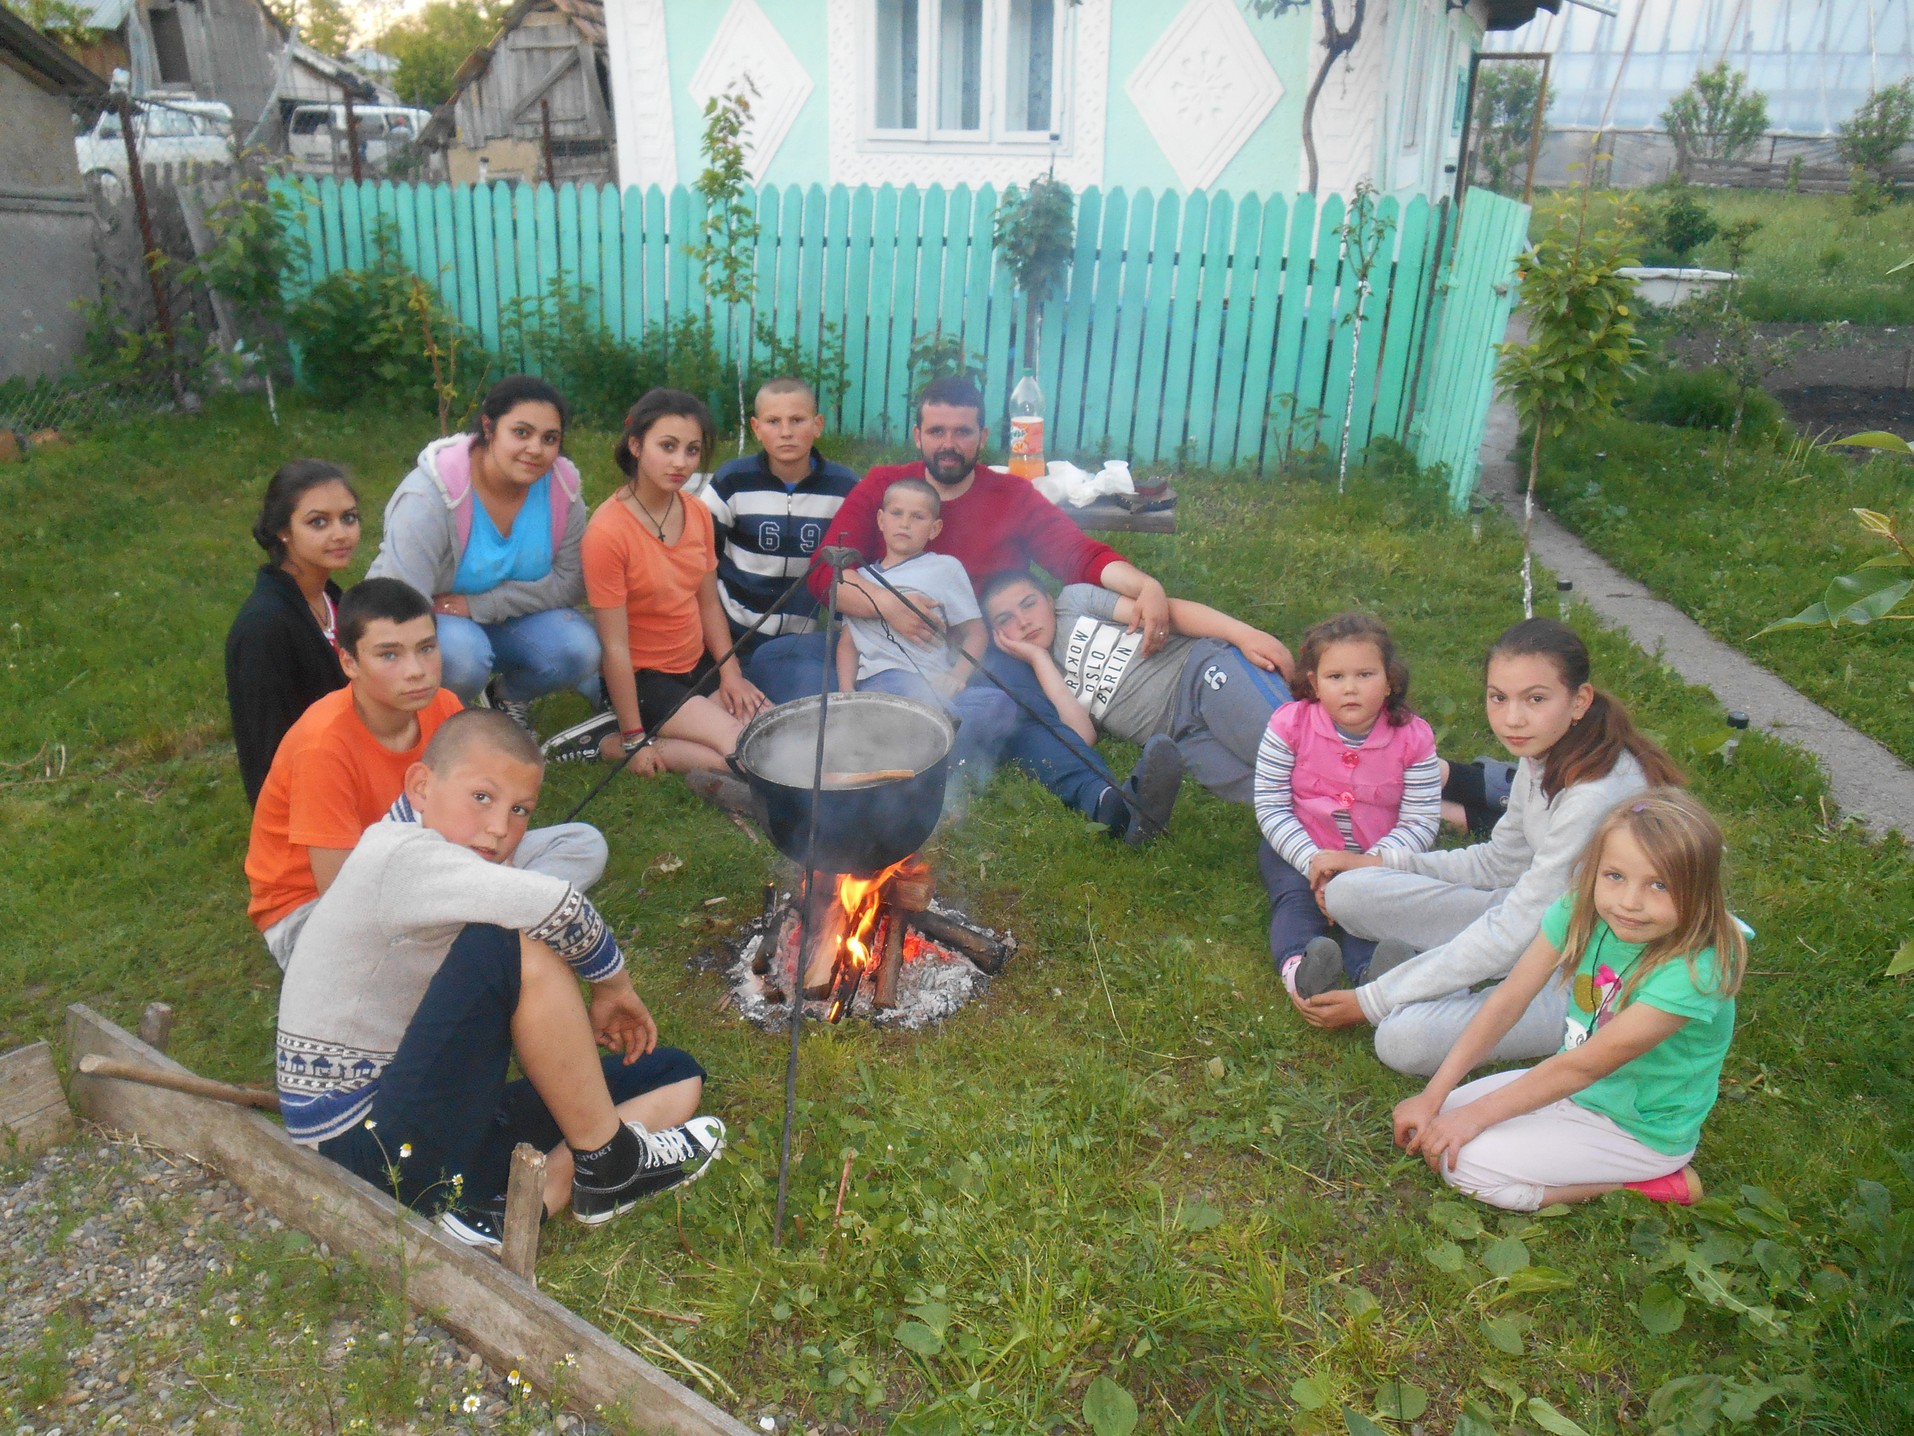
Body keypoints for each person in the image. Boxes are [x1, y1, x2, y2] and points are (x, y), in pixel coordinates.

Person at [276, 709, 725, 1249]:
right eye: (482, 798)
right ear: (421, 786)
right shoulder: (398, 854)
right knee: (509, 943)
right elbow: (557, 905)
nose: (499, 828)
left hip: (427, 1120)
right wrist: (613, 987)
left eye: (520, 810)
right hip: (363, 1149)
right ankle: (608, 1163)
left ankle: (512, 1209)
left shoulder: (449, 861)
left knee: (674, 1074)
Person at [1298, 618, 1684, 1076]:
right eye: (1498, 697)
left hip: (1599, 969)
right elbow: (1500, 861)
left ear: (1579, 701)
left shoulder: (1594, 794)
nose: (1512, 718)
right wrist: (1377, 861)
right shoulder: (1544, 752)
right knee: (1350, 890)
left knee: (1403, 1039)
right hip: (1542, 927)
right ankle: (1427, 979)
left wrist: (1372, 1000)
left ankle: (1423, 986)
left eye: (1535, 699)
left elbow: (1515, 929)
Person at [1392, 789, 1746, 1211]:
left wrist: (1475, 1118)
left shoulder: (1695, 971)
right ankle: (1518, 1128)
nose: (1630, 902)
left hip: (1636, 1130)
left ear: (1700, 892)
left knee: (1462, 1163)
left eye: (1659, 885)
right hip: (1572, 1090)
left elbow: (1585, 1064)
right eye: (1615, 876)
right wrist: (1434, 1095)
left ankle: (1650, 1182)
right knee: (1437, 1121)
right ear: (1594, 870)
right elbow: (1509, 999)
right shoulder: (1581, 910)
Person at [245, 578, 606, 970]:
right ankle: (500, 920)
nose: (416, 671)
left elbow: (484, 816)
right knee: (388, 959)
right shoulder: (322, 745)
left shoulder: (444, 707)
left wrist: (480, 872)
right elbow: (343, 897)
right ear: (349, 662)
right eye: (389, 655)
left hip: (430, 866)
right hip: (314, 909)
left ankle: (489, 921)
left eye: (427, 648)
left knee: (582, 844)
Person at [754, 376, 1176, 701]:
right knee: (773, 659)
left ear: (983, 438)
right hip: (880, 649)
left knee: (1013, 702)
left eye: (963, 432)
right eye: (937, 432)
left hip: (976, 653)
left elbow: (1078, 555)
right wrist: (888, 606)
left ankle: (1096, 793)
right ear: (918, 436)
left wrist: (1144, 585)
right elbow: (824, 572)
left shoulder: (1012, 496)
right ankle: (886, 710)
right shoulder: (884, 487)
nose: (949, 445)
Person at [367, 374, 600, 733]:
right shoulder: (428, 497)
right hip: (426, 617)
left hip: (505, 616)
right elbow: (400, 602)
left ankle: (507, 697)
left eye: (549, 438)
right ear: (489, 428)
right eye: (521, 432)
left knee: (579, 648)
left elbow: (571, 583)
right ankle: (445, 723)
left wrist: (479, 606)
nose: (536, 449)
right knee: (462, 656)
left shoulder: (562, 492)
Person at [556, 390, 768, 776]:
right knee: (741, 753)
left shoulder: (698, 514)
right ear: (635, 445)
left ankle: (640, 731)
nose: (681, 463)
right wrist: (635, 737)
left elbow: (707, 603)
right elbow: (615, 646)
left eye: (691, 450)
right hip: (645, 679)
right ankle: (614, 740)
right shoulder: (607, 533)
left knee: (770, 728)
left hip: (695, 662)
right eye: (667, 446)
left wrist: (730, 672)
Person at [980, 569, 1293, 804]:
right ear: (997, 635)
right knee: (1270, 793)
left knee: (1286, 746)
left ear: (1048, 598)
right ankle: (1336, 825)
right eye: (1006, 619)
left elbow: (1168, 614)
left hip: (1200, 674)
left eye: (1029, 604)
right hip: (1180, 736)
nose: (1022, 622)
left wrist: (1243, 634)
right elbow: (1083, 737)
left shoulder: (1074, 602)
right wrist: (1038, 658)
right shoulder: (1037, 679)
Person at [1254, 614, 1440, 994]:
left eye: (1365, 675)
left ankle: (1373, 973)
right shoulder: (1288, 725)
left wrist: (1366, 868)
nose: (1350, 688)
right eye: (1336, 677)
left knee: (1369, 910)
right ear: (1315, 684)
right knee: (1294, 901)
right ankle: (1302, 970)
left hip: (1375, 859)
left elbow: (1420, 820)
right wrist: (1314, 865)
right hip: (1298, 850)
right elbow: (1271, 806)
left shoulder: (1415, 738)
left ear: (1390, 681)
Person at [835, 478, 1013, 778]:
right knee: (912, 700)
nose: (905, 523)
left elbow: (976, 632)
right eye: (896, 513)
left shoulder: (945, 569)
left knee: (1000, 704)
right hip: (886, 683)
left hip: (936, 687)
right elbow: (847, 643)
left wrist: (957, 675)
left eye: (917, 517)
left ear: (934, 528)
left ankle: (915, 752)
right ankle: (934, 759)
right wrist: (845, 692)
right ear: (881, 520)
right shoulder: (860, 579)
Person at [700, 377, 860, 699]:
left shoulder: (844, 488)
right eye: (774, 422)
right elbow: (700, 559)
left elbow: (851, 573)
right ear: (757, 428)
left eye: (797, 420)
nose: (786, 432)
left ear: (817, 425)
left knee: (801, 709)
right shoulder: (733, 481)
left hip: (798, 641)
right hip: (731, 633)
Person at [225, 460, 361, 806]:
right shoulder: (265, 627)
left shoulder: (332, 599)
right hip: (308, 806)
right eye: (319, 522)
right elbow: (267, 749)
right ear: (283, 531)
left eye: (349, 517)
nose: (340, 533)